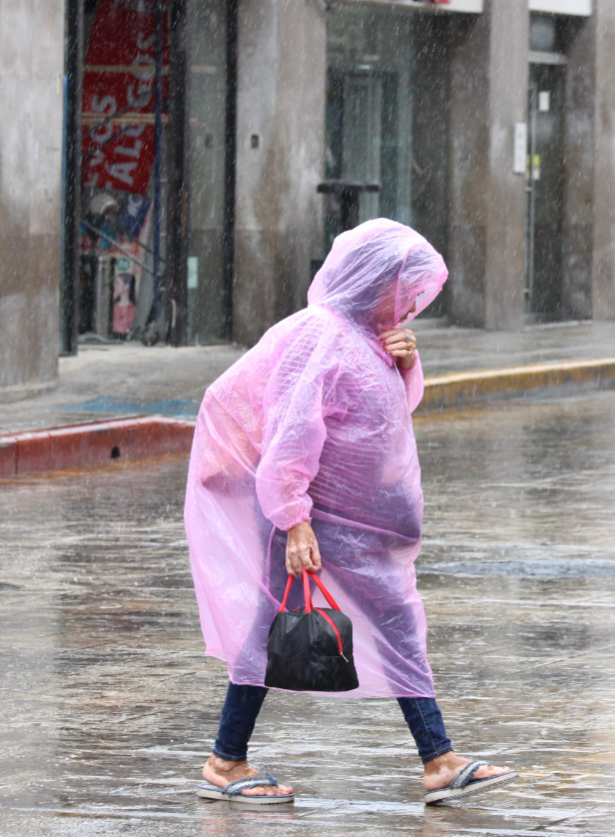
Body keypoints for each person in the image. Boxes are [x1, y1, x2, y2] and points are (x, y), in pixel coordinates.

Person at [184, 219, 517, 806]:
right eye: (404, 289)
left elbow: (390, 410)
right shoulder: (320, 334)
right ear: (374, 280)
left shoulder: (366, 336)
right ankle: (228, 759)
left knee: (389, 626)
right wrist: (294, 519)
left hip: (359, 531)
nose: (411, 302)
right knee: (278, 630)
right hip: (317, 523)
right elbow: (291, 434)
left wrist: (405, 361)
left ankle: (436, 760)